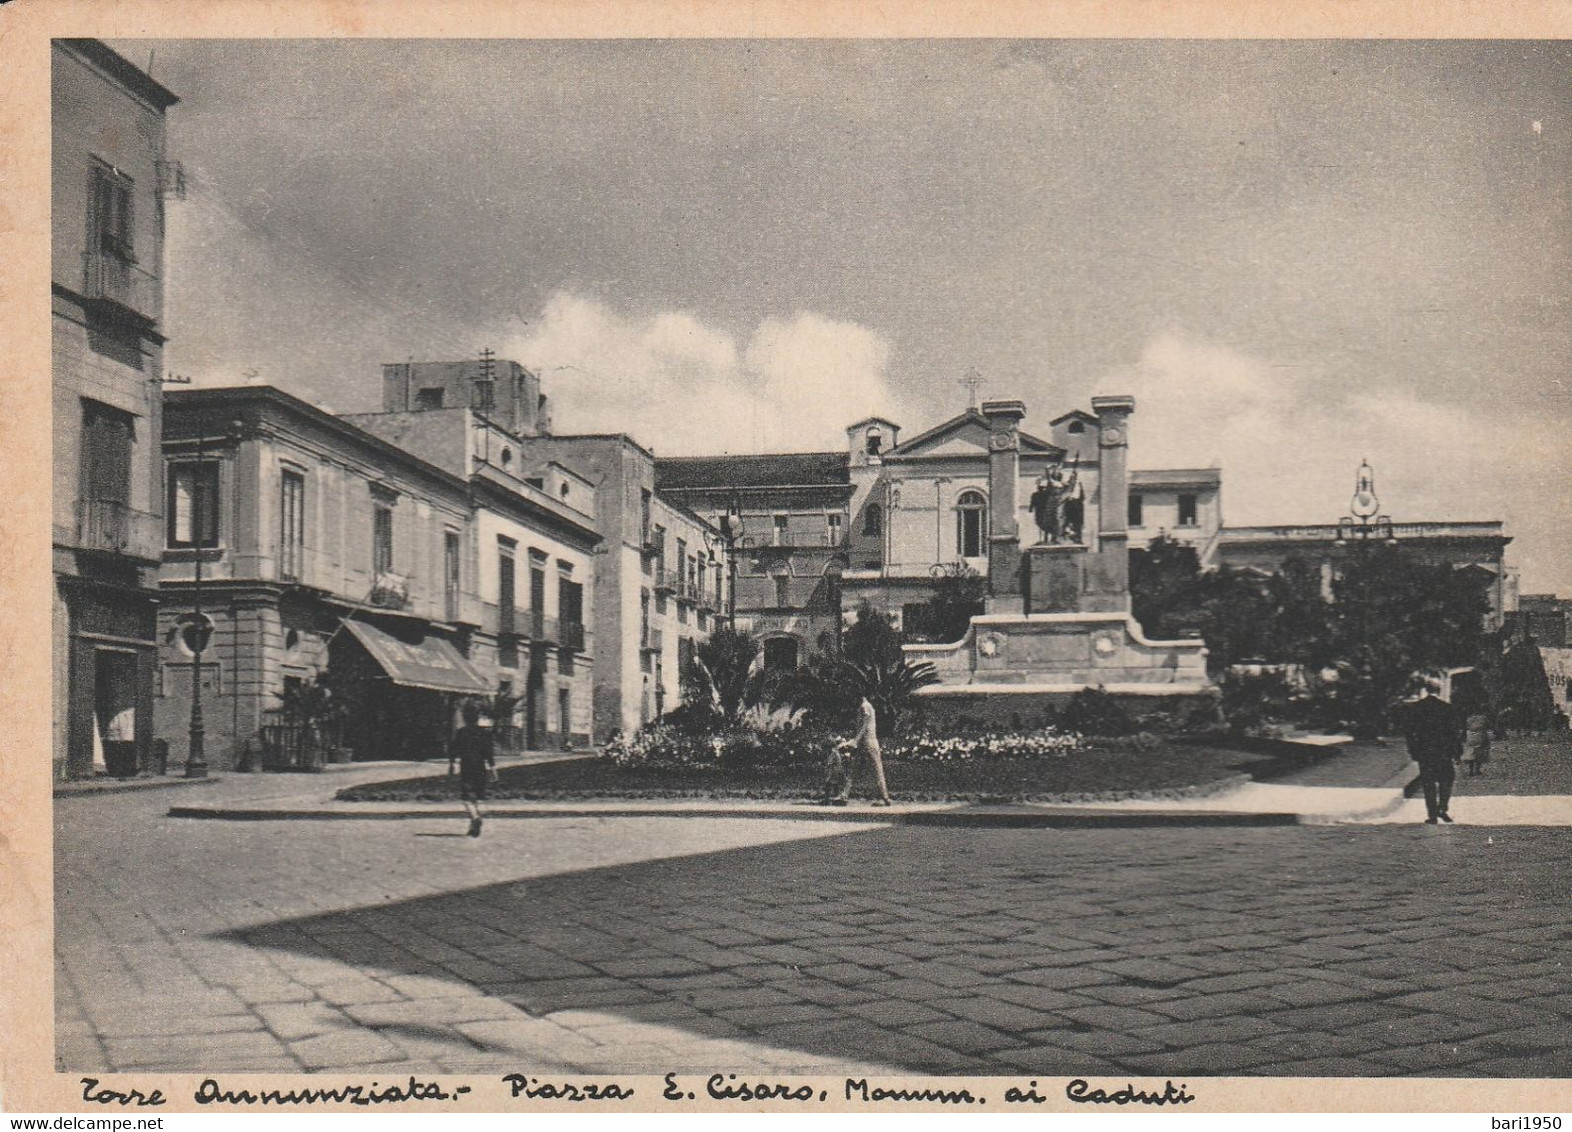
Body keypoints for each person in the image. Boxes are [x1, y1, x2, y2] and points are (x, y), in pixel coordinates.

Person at [1395, 673, 1464, 824]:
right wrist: (1457, 751)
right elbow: (1454, 732)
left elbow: (1409, 733)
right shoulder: (1446, 708)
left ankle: (1432, 814)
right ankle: (1443, 809)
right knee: (1447, 779)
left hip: (1425, 751)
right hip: (1444, 750)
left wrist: (1413, 750)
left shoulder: (1415, 709)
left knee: (1429, 782)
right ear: (1438, 691)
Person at [822, 694, 892, 807]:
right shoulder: (864, 706)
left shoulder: (865, 706)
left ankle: (885, 797)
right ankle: (844, 796)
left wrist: (856, 740)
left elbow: (865, 725)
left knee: (876, 769)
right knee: (852, 769)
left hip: (868, 743)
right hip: (864, 743)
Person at [448, 701, 496, 837]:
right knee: (479, 796)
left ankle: (475, 818)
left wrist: (453, 764)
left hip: (467, 766)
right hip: (480, 767)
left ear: (464, 717)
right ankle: (474, 824)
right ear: (478, 717)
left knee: (466, 796)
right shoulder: (485, 733)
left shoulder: (461, 732)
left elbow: (454, 751)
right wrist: (492, 769)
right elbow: (489, 753)